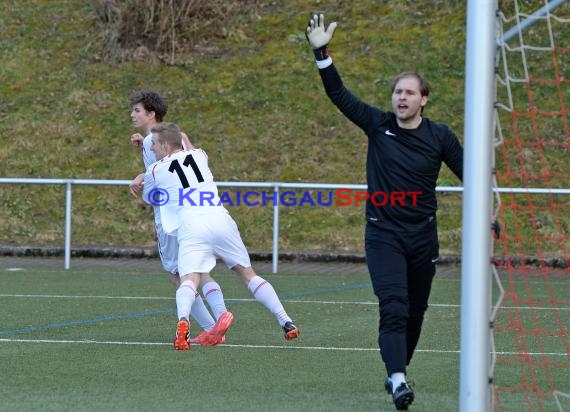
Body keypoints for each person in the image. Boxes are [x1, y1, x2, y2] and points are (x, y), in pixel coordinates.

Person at [306, 14, 463, 410]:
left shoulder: (440, 136)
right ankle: (397, 380)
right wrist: (321, 53)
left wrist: (487, 214)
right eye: (397, 92)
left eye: (409, 93)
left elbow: (473, 176)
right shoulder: (378, 125)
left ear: (424, 98)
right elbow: (340, 95)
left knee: (415, 312)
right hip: (384, 234)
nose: (401, 98)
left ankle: (398, 370)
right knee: (393, 306)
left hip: (423, 235)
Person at [142, 122, 300, 349]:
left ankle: (183, 324)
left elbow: (151, 198)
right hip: (221, 219)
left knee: (189, 279)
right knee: (248, 275)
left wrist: (142, 181)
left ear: (166, 146)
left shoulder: (156, 169)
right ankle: (286, 321)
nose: (153, 150)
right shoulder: (200, 155)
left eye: (155, 145)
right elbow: (187, 148)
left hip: (192, 224)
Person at [127, 90, 230, 347]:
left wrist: (142, 179)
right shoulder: (174, 135)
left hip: (170, 217)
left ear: (151, 114)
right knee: (197, 269)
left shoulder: (155, 140)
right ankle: (220, 317)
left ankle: (211, 328)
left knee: (177, 274)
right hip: (194, 212)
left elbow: (159, 178)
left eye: (137, 111)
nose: (132, 115)